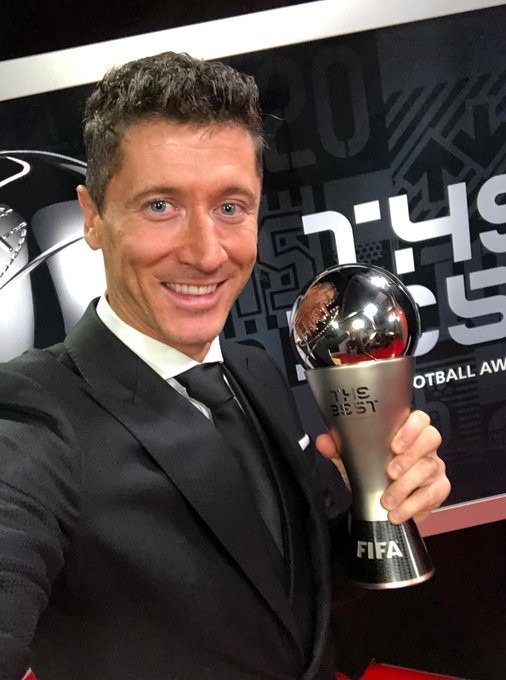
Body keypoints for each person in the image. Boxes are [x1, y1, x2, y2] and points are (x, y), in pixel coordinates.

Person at [0, 52, 449, 680]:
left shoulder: (252, 369)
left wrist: (385, 511)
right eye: (161, 205)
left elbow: (285, 589)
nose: (207, 253)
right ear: (93, 218)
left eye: (231, 207)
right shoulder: (30, 417)